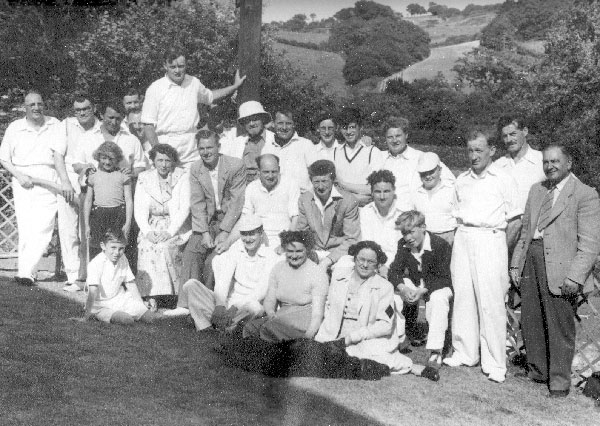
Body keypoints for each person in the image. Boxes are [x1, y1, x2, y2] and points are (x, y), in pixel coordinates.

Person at [510, 144, 600, 397]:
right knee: (532, 319)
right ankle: (537, 371)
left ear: (569, 163)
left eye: (555, 161)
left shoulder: (585, 194)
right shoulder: (537, 190)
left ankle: (559, 383)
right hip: (532, 261)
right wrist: (517, 263)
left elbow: (591, 244)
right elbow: (526, 232)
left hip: (563, 268)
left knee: (560, 326)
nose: (549, 166)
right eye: (546, 162)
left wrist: (575, 276)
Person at [443, 128, 521, 384]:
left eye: (479, 150)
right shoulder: (461, 179)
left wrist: (499, 248)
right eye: (470, 150)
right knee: (463, 296)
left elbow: (515, 221)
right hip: (464, 237)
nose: (473, 155)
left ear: (492, 151)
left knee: (491, 302)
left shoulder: (503, 178)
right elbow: (455, 213)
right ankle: (465, 352)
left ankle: (495, 362)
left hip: (491, 239)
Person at [315, 241, 439, 380]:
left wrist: (351, 338)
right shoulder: (338, 278)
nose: (365, 265)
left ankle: (412, 367)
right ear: (354, 258)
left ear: (378, 264)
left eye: (371, 261)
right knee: (320, 356)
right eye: (361, 259)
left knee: (371, 356)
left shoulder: (385, 287)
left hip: (364, 336)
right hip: (334, 334)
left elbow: (385, 325)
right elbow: (329, 307)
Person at [164, 216, 280, 332]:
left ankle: (225, 328)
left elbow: (260, 292)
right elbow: (223, 279)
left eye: (252, 234)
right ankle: (207, 329)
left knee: (255, 308)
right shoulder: (236, 250)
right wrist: (220, 305)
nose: (248, 239)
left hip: (245, 307)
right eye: (244, 234)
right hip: (228, 303)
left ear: (261, 233)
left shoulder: (270, 256)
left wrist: (235, 307)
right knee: (190, 285)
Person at [141, 47, 246, 167]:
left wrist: (234, 86)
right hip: (166, 146)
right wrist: (159, 152)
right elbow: (148, 125)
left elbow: (211, 96)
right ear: (165, 66)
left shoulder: (194, 83)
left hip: (191, 148)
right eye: (173, 67)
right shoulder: (155, 88)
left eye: (181, 66)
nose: (177, 71)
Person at [0, 91, 63, 286]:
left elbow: (60, 153)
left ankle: (26, 272)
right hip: (23, 180)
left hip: (48, 176)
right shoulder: (15, 127)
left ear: (44, 105)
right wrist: (19, 176)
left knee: (43, 226)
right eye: (32, 105)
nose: (36, 108)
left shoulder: (55, 124)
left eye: (39, 103)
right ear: (25, 107)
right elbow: (3, 158)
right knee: (27, 227)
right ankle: (26, 271)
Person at [388, 211, 453, 369]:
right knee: (392, 291)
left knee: (438, 299)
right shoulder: (402, 244)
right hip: (417, 285)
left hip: (437, 286)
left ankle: (436, 350)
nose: (408, 237)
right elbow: (394, 271)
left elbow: (444, 277)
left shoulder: (440, 245)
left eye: (411, 232)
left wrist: (422, 291)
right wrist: (403, 288)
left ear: (423, 227)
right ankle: (399, 339)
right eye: (404, 233)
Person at [51, 93, 102, 290]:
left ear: (93, 108)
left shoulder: (102, 128)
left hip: (93, 181)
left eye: (86, 108)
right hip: (69, 179)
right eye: (78, 110)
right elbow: (58, 155)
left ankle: (89, 274)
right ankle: (73, 274)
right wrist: (65, 182)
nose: (81, 113)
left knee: (88, 229)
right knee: (68, 228)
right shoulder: (66, 125)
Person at [182, 130, 246, 288]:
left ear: (218, 146)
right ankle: (186, 303)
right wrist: (204, 233)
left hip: (231, 222)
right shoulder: (196, 168)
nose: (205, 152)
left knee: (214, 258)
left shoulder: (235, 165)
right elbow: (197, 203)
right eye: (201, 149)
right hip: (208, 223)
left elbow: (237, 202)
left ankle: (209, 300)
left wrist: (225, 232)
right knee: (191, 252)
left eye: (209, 147)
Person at [134, 144, 191, 311]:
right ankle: (150, 295)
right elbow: (139, 209)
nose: (164, 164)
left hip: (175, 225)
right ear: (153, 161)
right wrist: (147, 232)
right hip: (152, 225)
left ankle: (172, 294)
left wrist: (169, 232)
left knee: (166, 247)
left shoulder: (181, 176)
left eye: (167, 160)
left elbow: (184, 208)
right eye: (160, 160)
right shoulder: (144, 178)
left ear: (173, 161)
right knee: (147, 245)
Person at [244, 230, 328, 342]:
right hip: (281, 316)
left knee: (268, 330)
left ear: (306, 250)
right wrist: (270, 313)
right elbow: (269, 300)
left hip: (303, 319)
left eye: (299, 251)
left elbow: (318, 314)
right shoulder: (278, 268)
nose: (294, 256)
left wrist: (307, 338)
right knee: (250, 328)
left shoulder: (316, 273)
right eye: (290, 251)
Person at [76, 229, 163, 325]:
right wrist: (86, 317)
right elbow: (92, 291)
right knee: (127, 320)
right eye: (113, 247)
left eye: (121, 248)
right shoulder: (96, 264)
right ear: (103, 246)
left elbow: (130, 283)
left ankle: (132, 311)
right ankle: (105, 315)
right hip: (101, 305)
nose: (117, 252)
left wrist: (141, 306)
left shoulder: (123, 258)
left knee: (151, 318)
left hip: (120, 299)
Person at [296, 160, 361, 273]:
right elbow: (302, 233)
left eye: (324, 181)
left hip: (339, 252)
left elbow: (352, 239)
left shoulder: (348, 200)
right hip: (313, 251)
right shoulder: (304, 199)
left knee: (344, 269)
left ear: (332, 180)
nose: (320, 186)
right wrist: (311, 255)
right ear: (311, 181)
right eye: (316, 182)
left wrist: (328, 260)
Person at [381, 116, 455, 199]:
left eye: (398, 136)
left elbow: (450, 181)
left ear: (406, 135)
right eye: (390, 137)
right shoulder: (379, 158)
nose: (394, 140)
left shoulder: (421, 157)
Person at [72, 99, 147, 179]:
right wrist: (86, 168)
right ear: (101, 115)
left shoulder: (132, 139)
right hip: (93, 187)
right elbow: (76, 164)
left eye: (118, 119)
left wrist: (132, 173)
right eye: (110, 118)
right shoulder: (86, 137)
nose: (114, 122)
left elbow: (141, 166)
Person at [239, 154, 300, 251]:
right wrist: (227, 242)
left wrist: (286, 243)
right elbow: (245, 218)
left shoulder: (290, 185)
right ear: (258, 172)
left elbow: (295, 218)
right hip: (256, 238)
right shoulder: (251, 187)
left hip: (283, 239)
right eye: (266, 172)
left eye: (274, 171)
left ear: (279, 170)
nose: (270, 176)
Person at [83, 142, 133, 260]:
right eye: (104, 158)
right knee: (96, 248)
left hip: (118, 214)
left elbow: (129, 200)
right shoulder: (93, 176)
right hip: (98, 215)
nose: (107, 162)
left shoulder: (122, 175)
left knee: (118, 246)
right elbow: (88, 201)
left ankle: (119, 275)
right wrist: (86, 224)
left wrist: (128, 222)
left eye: (111, 158)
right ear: (98, 158)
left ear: (117, 159)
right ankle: (97, 276)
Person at [333, 108, 384, 206]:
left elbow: (375, 188)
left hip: (366, 210)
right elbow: (332, 187)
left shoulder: (373, 152)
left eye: (352, 127)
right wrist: (357, 197)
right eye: (344, 127)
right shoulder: (335, 152)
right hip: (342, 210)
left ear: (360, 127)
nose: (348, 132)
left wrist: (343, 185)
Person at [494, 116, 545, 212]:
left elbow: (569, 186)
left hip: (535, 225)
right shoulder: (498, 166)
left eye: (513, 134)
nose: (509, 140)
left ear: (525, 131)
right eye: (505, 136)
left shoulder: (542, 160)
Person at [261, 109, 317, 192]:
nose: (284, 127)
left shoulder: (306, 145)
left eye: (288, 123)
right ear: (273, 124)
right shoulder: (267, 148)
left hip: (301, 199)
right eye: (280, 123)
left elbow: (318, 176)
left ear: (294, 124)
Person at [219, 100, 274, 183]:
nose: (251, 124)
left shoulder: (275, 140)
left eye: (255, 119)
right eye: (247, 120)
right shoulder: (237, 142)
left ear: (262, 119)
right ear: (243, 124)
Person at [359, 170, 404, 271]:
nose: (382, 196)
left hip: (397, 266)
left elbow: (403, 251)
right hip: (372, 263)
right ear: (372, 193)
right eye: (378, 192)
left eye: (386, 191)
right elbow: (367, 243)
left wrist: (386, 267)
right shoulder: (366, 211)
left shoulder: (403, 212)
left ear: (394, 190)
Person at [409, 152, 457, 246]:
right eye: (423, 173)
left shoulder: (451, 190)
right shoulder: (416, 193)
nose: (427, 176)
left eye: (431, 172)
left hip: (448, 238)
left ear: (440, 170)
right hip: (425, 239)